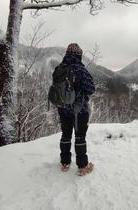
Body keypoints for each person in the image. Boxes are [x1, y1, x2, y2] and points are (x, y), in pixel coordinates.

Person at [53, 43, 95, 176]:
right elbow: (90, 89)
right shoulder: (81, 70)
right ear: (79, 55)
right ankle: (82, 166)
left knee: (65, 135)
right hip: (79, 111)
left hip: (63, 109)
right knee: (80, 137)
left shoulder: (58, 69)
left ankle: (65, 163)